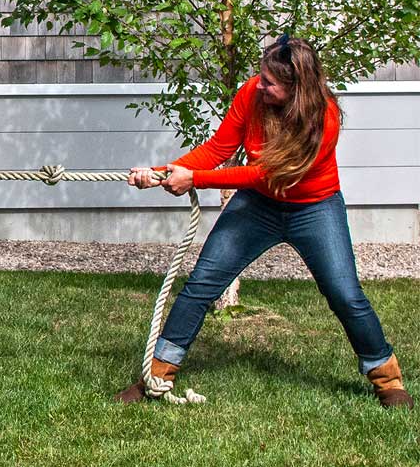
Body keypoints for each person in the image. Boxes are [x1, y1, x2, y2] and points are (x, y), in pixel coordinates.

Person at [117, 36, 411, 408]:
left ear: (296, 88)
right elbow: (218, 149)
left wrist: (195, 179)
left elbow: (267, 173)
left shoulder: (325, 119)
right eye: (260, 76)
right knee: (201, 286)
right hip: (258, 206)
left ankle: (387, 379)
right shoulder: (251, 95)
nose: (260, 85)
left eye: (270, 82)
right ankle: (156, 377)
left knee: (344, 295)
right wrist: (160, 172)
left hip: (314, 208)